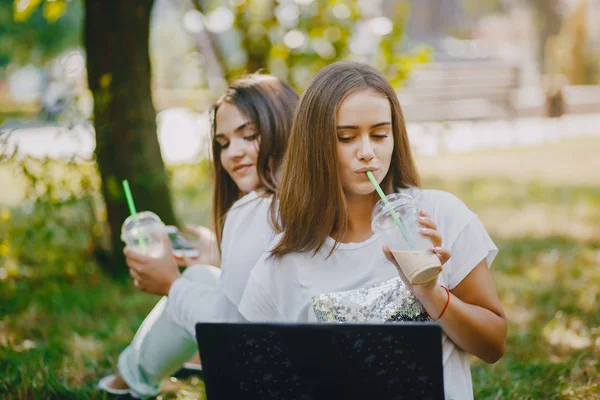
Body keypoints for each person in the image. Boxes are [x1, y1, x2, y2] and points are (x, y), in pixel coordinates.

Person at [238, 61, 507, 400]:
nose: (367, 153)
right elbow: (257, 377)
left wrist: (431, 293)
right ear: (314, 145)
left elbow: (493, 345)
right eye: (346, 137)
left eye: (380, 135)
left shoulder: (440, 216)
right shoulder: (281, 264)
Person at [97, 74, 298, 398]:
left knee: (197, 280)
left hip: (277, 378)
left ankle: (127, 381)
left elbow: (236, 331)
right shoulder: (306, 200)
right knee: (204, 274)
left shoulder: (255, 210)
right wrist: (222, 257)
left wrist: (170, 284)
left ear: (285, 127)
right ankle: (131, 377)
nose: (233, 152)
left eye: (248, 135)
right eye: (223, 143)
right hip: (302, 361)